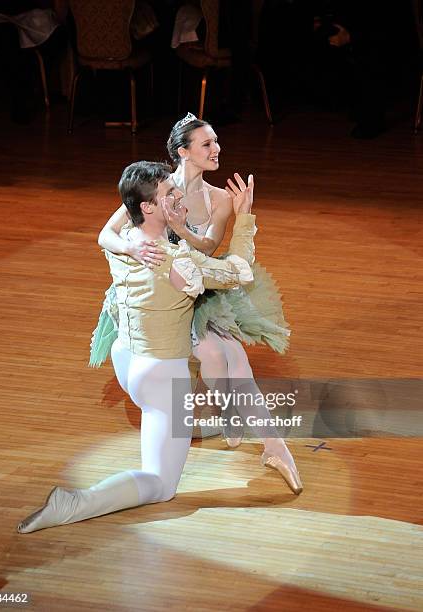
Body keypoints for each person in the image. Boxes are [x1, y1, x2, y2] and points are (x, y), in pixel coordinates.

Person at [17, 161, 301, 534]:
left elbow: (108, 230)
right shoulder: (180, 261)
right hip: (162, 377)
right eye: (170, 194)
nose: (179, 196)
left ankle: (243, 420)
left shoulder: (126, 243)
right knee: (161, 485)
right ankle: (75, 503)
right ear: (148, 207)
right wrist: (244, 217)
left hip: (125, 362)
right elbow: (239, 269)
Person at [95, 113, 290, 448]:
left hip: (201, 284)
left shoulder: (220, 199)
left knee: (230, 355)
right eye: (207, 143)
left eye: (215, 141)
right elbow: (105, 234)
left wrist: (182, 228)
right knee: (216, 354)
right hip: (160, 290)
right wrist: (131, 246)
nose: (217, 148)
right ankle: (235, 417)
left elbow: (210, 247)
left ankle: (236, 417)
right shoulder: (158, 188)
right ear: (183, 152)